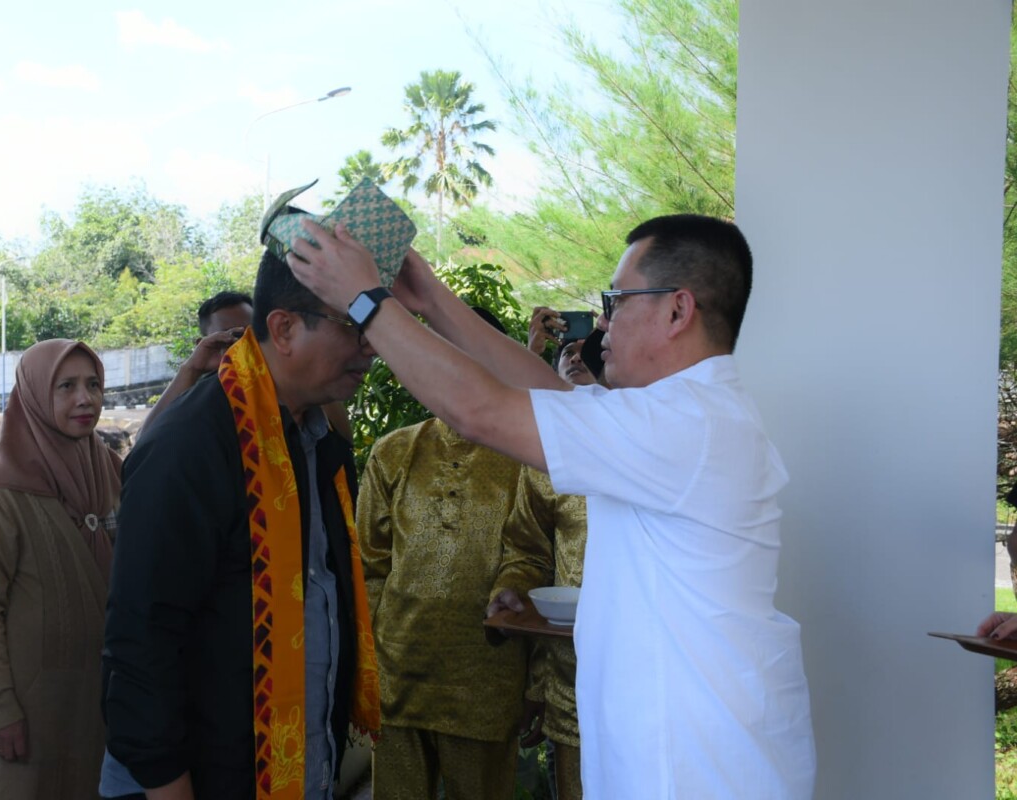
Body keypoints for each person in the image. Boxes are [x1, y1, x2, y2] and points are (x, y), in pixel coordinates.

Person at [285, 213, 817, 799]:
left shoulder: (687, 424)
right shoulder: (683, 415)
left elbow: (482, 411)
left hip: (697, 770)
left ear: (677, 310)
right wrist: (431, 298)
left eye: (615, 299)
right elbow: (547, 393)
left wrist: (365, 301)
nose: (604, 321)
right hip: (682, 756)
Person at [103, 249, 381, 800]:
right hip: (213, 775)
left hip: (299, 765)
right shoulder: (192, 444)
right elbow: (142, 638)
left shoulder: (316, 439)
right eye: (354, 327)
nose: (370, 345)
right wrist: (168, 786)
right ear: (283, 329)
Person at [356, 308, 552, 800]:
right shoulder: (394, 451)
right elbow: (369, 567)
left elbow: (534, 554)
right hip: (398, 674)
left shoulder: (527, 454)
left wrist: (515, 589)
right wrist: (365, 674)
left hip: (485, 681)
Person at [0, 339, 123, 799]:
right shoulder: (0, 491)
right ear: (32, 394)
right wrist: (1, 706)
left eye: (93, 384)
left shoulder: (108, 469)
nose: (85, 399)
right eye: (65, 386)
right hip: (34, 709)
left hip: (105, 701)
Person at [504, 314, 600, 800]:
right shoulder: (545, 463)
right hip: (570, 679)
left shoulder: (637, 434)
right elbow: (526, 549)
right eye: (566, 352)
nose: (576, 356)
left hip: (645, 680)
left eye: (588, 348)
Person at [142, 290, 352, 441]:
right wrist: (192, 368)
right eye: (232, 336)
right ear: (204, 344)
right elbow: (146, 441)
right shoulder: (202, 400)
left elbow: (343, 437)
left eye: (252, 334)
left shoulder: (285, 388)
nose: (245, 344)